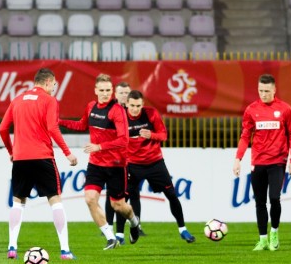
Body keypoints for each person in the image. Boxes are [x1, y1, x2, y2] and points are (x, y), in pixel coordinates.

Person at [0, 68, 78, 259]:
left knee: (18, 202)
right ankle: (65, 250)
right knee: (55, 201)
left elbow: (2, 128)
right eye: (54, 85)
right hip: (42, 157)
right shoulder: (49, 100)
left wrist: (12, 152)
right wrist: (68, 153)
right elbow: (52, 127)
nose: (54, 88)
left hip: (20, 159)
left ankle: (12, 247)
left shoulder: (17, 100)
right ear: (48, 82)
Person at [60, 74, 142, 249]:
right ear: (96, 90)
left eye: (108, 90)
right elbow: (82, 125)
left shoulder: (117, 111)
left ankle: (134, 223)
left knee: (118, 205)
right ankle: (110, 237)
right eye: (102, 90)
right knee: (90, 199)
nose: (106, 94)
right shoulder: (91, 106)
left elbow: (124, 140)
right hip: (96, 164)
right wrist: (59, 121)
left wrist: (99, 146)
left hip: (116, 165)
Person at [233, 74, 291, 251]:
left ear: (274, 90)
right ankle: (262, 239)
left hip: (278, 161)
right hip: (258, 161)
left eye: (267, 91)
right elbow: (245, 136)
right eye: (260, 91)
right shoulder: (251, 110)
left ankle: (274, 233)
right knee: (260, 202)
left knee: (275, 198)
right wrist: (238, 159)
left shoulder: (285, 109)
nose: (263, 94)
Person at [124, 90, 193, 242]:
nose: (135, 109)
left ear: (143, 105)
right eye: (132, 106)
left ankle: (183, 229)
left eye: (138, 106)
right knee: (124, 199)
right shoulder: (121, 117)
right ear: (127, 104)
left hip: (155, 163)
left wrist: (151, 135)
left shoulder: (151, 114)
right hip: (133, 165)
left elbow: (164, 135)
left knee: (172, 195)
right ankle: (127, 232)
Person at [104, 81, 139, 240]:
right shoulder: (111, 112)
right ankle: (110, 227)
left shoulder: (133, 113)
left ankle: (127, 228)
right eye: (121, 93)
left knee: (130, 194)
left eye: (127, 92)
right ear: (115, 94)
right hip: (113, 160)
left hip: (131, 159)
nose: (124, 95)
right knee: (112, 196)